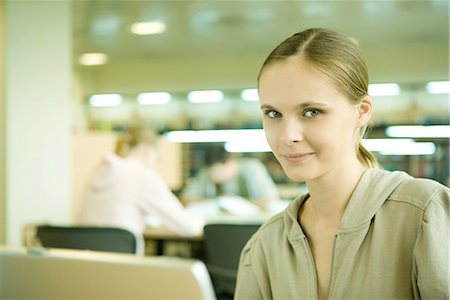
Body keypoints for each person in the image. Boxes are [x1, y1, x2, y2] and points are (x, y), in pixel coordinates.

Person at [235, 28, 449, 299]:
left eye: (312, 112)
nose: (288, 136)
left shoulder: (424, 214)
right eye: (273, 113)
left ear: (361, 112)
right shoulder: (266, 245)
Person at [77, 128, 205, 244]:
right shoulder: (142, 175)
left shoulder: (99, 172)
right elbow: (188, 227)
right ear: (147, 150)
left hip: (88, 262)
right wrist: (202, 219)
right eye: (156, 159)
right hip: (124, 264)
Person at [181, 144, 279, 210]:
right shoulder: (206, 173)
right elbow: (185, 199)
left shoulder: (252, 169)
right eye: (212, 174)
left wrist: (237, 203)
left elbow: (271, 200)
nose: (215, 178)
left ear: (230, 161)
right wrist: (217, 202)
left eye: (219, 173)